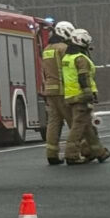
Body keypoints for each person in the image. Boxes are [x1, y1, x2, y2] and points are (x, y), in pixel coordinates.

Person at [62, 29, 110, 165]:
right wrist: (89, 94)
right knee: (77, 127)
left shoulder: (67, 58)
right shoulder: (80, 58)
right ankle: (71, 155)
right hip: (81, 96)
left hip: (71, 95)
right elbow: (84, 77)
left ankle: (99, 152)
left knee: (87, 126)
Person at [42, 20, 75, 165]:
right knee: (74, 122)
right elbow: (69, 71)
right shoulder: (64, 48)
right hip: (63, 91)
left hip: (50, 91)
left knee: (53, 123)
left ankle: (51, 153)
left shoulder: (47, 49)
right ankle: (75, 153)